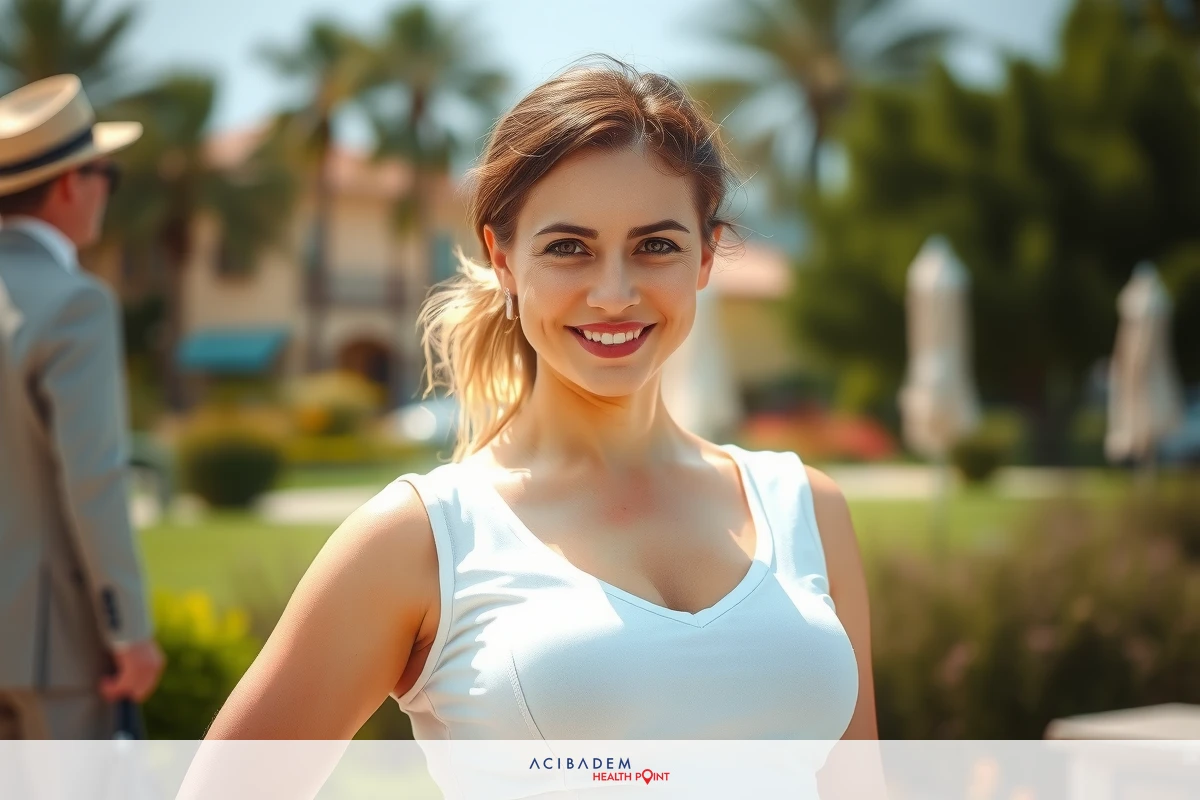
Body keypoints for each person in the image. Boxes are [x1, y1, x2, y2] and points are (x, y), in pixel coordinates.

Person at [203, 59, 878, 745]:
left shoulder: (807, 511)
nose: (614, 293)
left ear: (706, 256)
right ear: (503, 260)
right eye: (567, 248)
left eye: (655, 245)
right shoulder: (422, 541)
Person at [0, 74, 165, 739]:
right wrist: (128, 630)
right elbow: (94, 480)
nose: (106, 191)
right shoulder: (75, 303)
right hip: (55, 651)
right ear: (72, 183)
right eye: (108, 174)